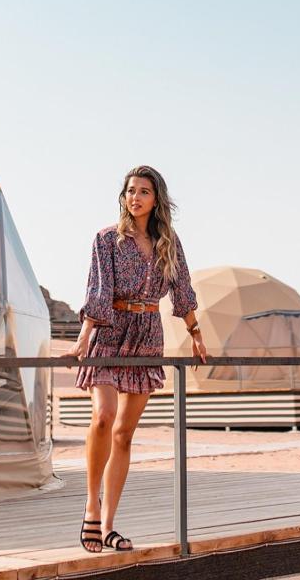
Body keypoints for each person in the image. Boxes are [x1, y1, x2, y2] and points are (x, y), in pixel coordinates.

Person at [67, 165, 207, 553]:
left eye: (144, 191)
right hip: (110, 332)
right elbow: (98, 292)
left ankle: (109, 524)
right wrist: (82, 341)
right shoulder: (106, 239)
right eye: (130, 190)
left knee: (124, 435)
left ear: (156, 199)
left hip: (147, 335)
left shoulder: (168, 242)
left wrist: (196, 334)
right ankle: (90, 508)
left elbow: (183, 292)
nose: (135, 197)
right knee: (103, 417)